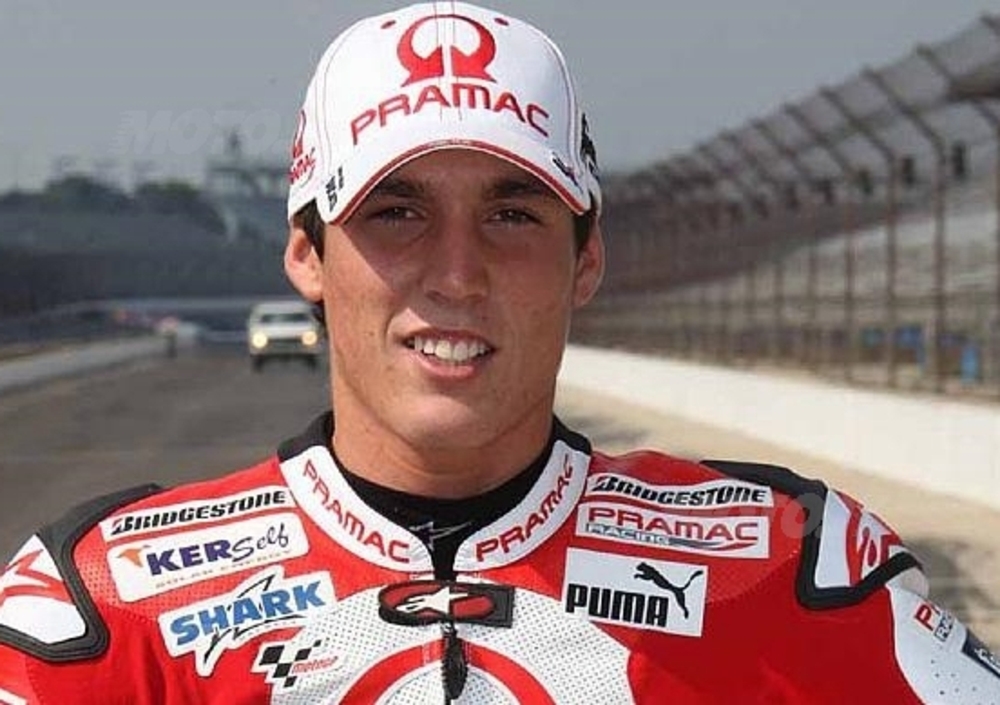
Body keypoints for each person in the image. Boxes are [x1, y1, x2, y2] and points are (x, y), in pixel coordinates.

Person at [1, 2, 998, 703]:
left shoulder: (787, 571)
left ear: (586, 258)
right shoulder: (106, 607)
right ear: (307, 255)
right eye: (395, 212)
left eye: (512, 214)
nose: (456, 273)